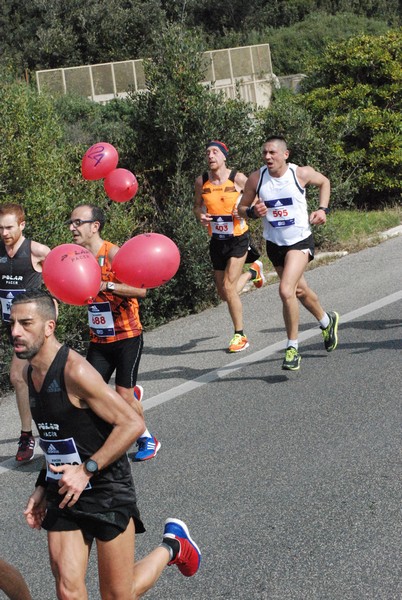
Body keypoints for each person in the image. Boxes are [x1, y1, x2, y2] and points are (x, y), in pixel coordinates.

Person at [10, 289, 201, 599]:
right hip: (64, 491)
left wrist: (87, 470)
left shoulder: (76, 371)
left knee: (117, 595)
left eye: (26, 323)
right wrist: (43, 485)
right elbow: (57, 437)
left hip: (105, 488)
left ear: (49, 326)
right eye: (13, 323)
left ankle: (173, 546)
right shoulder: (29, 373)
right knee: (68, 591)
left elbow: (132, 423)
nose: (16, 332)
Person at [238, 135, 339, 370]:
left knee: (286, 290)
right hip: (275, 244)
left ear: (286, 154)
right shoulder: (257, 178)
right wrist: (253, 212)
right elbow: (241, 209)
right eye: (264, 152)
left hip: (300, 241)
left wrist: (322, 209)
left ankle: (292, 347)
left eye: (272, 152)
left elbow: (324, 182)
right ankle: (327, 321)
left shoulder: (299, 173)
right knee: (300, 290)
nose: (267, 157)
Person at [68, 204, 160, 461]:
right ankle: (123, 401)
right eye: (71, 222)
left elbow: (141, 290)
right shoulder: (76, 257)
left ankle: (147, 439)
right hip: (99, 338)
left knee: (123, 396)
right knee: (87, 391)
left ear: (94, 226)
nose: (72, 227)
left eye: (78, 222)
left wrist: (106, 284)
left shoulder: (113, 254)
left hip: (127, 336)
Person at [194, 140, 265, 353]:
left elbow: (258, 202)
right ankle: (253, 273)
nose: (210, 156)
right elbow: (197, 206)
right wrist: (200, 215)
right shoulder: (201, 181)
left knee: (228, 285)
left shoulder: (239, 179)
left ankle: (240, 335)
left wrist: (245, 208)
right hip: (217, 240)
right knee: (224, 293)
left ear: (224, 156)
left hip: (238, 238)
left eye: (215, 152)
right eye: (207, 152)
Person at [0, 203, 51, 461]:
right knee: (27, 379)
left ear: (22, 225)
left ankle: (31, 435)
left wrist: (53, 308)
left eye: (9, 227)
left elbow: (61, 276)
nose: (5, 232)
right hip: (14, 328)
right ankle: (29, 435)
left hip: (37, 328)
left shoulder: (38, 251)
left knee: (22, 377)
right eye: (0, 228)